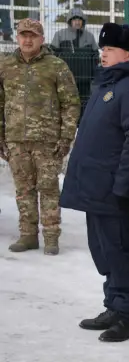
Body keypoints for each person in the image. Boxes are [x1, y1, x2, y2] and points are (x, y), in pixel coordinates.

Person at [61, 23, 129, 342]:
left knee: (121, 248)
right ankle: (114, 304)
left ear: (128, 54)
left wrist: (123, 185)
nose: (103, 54)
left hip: (114, 187)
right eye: (102, 49)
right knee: (103, 249)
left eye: (109, 50)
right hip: (94, 185)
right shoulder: (108, 82)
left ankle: (128, 315)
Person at [0, 18, 79, 254]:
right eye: (23, 35)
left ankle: (51, 237)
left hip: (47, 140)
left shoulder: (56, 66)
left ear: (41, 39)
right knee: (23, 189)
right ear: (17, 37)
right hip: (15, 139)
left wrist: (66, 137)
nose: (27, 39)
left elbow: (71, 104)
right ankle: (27, 235)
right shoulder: (5, 66)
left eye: (32, 36)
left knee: (48, 188)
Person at [51, 7, 99, 107]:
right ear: (70, 21)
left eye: (79, 20)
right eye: (74, 19)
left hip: (85, 80)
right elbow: (52, 56)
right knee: (66, 105)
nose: (77, 22)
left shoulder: (89, 36)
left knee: (84, 106)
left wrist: (92, 74)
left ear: (83, 21)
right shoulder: (60, 35)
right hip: (66, 80)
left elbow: (95, 56)